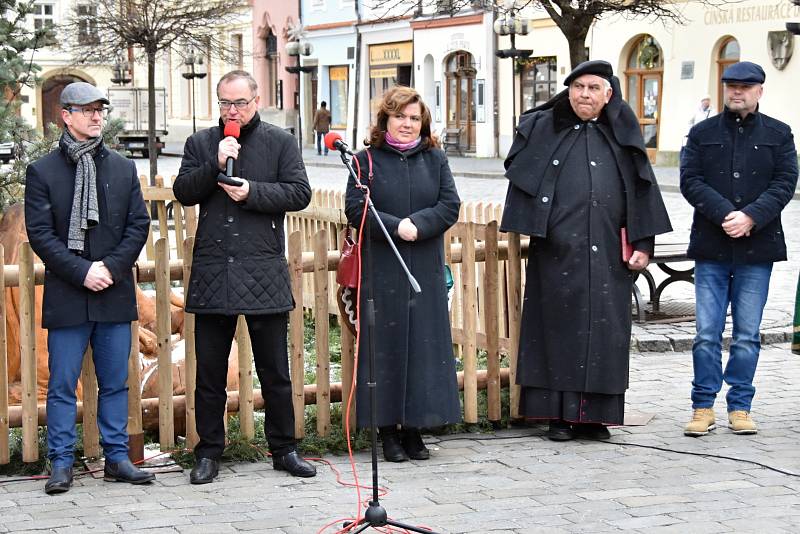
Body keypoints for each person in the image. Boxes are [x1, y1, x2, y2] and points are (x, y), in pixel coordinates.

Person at [500, 60, 672, 442]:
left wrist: (644, 243)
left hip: (610, 255)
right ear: (569, 91)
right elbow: (523, 178)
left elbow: (642, 190)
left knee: (605, 334)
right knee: (556, 331)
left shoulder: (622, 135)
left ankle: (594, 417)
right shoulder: (546, 128)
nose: (585, 94)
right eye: (578, 87)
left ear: (608, 94)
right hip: (557, 250)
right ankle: (557, 417)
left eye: (594, 88)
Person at [173, 70, 315, 483]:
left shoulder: (280, 142)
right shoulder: (201, 143)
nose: (232, 111)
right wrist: (214, 165)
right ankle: (209, 452)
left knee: (275, 371)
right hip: (215, 269)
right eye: (224, 103)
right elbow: (184, 190)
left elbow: (298, 193)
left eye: (240, 103)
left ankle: (284, 449)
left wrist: (252, 192)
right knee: (210, 372)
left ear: (257, 101)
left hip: (262, 268)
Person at [24, 82, 153, 494]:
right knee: (62, 384)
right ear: (66, 115)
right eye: (87, 110)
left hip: (113, 291)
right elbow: (40, 234)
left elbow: (138, 225)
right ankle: (61, 463)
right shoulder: (42, 171)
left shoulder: (121, 167)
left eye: (100, 109)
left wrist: (110, 269)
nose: (97, 116)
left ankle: (116, 459)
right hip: (68, 292)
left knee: (115, 382)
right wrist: (82, 271)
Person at [344, 86, 461, 462]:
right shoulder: (365, 161)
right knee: (386, 350)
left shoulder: (436, 159)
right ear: (386, 119)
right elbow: (356, 206)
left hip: (423, 267)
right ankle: (387, 430)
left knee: (423, 349)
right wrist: (396, 226)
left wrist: (420, 225)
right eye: (400, 117)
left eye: (415, 118)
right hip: (383, 268)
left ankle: (414, 429)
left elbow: (449, 205)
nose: (407, 124)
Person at [680, 61, 798, 437]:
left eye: (745, 87)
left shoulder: (779, 134)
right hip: (712, 246)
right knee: (706, 333)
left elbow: (785, 182)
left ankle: (740, 406)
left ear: (759, 91)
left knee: (747, 334)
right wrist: (725, 214)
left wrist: (750, 217)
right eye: (730, 85)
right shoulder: (701, 133)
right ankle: (703, 406)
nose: (736, 91)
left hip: (757, 249)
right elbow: (690, 181)